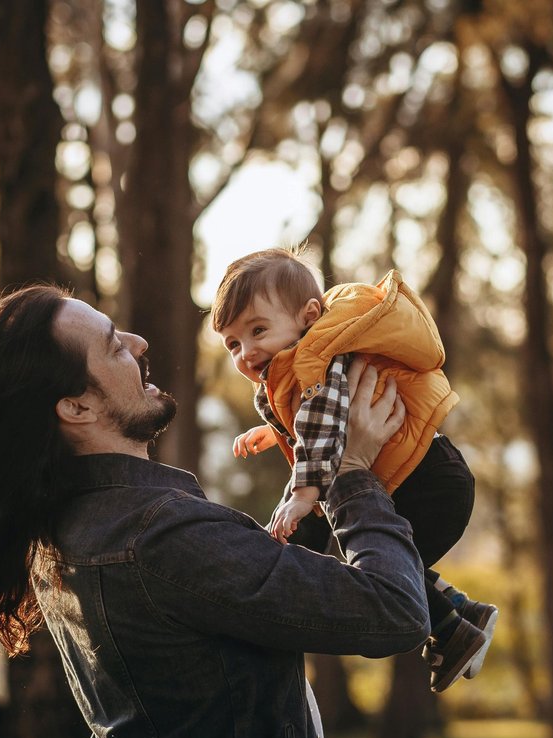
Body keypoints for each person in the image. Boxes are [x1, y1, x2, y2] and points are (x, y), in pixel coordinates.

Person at [0, 284, 431, 738]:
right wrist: (352, 474)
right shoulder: (164, 537)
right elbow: (396, 611)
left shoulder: (63, 533)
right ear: (76, 408)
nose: (138, 344)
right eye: (113, 345)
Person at [210, 248, 499, 693]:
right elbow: (317, 416)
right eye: (233, 343)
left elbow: (323, 424)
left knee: (361, 566)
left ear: (308, 317)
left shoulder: (315, 360)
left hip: (428, 484)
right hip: (428, 477)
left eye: (258, 330)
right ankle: (462, 612)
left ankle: (454, 631)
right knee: (365, 555)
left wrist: (303, 496)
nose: (246, 352)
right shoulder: (301, 368)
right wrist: (276, 432)